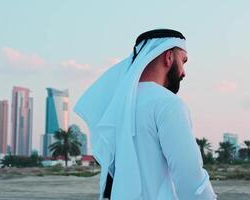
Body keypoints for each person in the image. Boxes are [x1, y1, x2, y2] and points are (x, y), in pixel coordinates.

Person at [74, 29, 217, 200]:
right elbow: (190, 178)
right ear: (169, 57)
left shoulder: (116, 107)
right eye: (183, 61)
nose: (184, 72)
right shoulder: (168, 104)